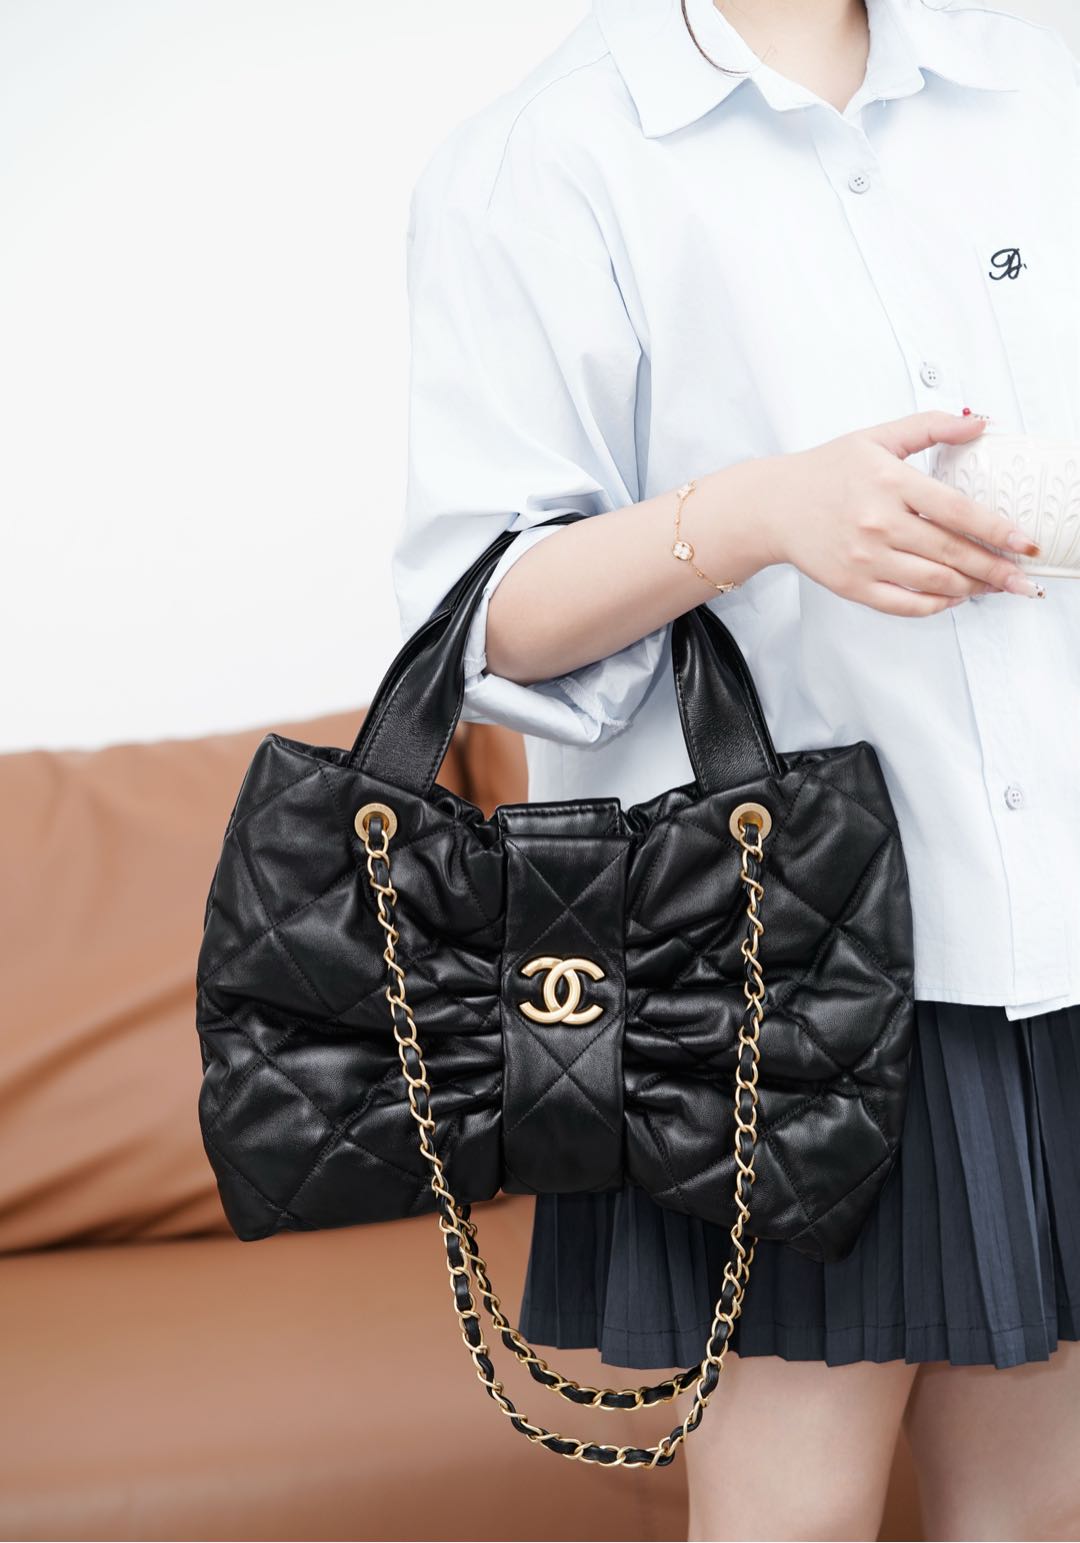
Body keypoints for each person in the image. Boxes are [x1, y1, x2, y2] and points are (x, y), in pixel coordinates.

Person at [392, 1, 1080, 1536]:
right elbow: (481, 616)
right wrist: (759, 515)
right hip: (776, 970)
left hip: (1053, 935)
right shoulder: (548, 157)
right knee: (794, 1517)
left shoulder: (1042, 80)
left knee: (1042, 1511)